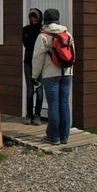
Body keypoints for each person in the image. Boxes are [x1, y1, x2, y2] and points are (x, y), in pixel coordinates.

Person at [32, 8, 75, 145]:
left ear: (45, 19)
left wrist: (34, 75)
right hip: (67, 73)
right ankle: (65, 137)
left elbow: (37, 57)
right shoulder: (67, 33)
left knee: (53, 105)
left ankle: (54, 138)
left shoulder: (44, 35)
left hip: (51, 74)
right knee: (65, 104)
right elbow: (72, 54)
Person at [23, 8, 44, 125]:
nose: (33, 19)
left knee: (39, 90)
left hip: (40, 63)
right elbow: (26, 43)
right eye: (31, 16)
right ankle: (28, 114)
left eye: (35, 17)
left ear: (39, 18)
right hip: (28, 63)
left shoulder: (43, 30)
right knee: (30, 90)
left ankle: (38, 115)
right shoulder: (25, 29)